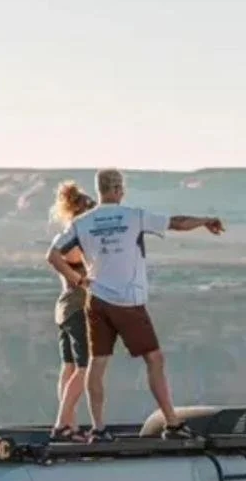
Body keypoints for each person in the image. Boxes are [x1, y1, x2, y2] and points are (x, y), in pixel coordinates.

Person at [46, 168, 223, 440]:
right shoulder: (133, 216)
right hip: (128, 300)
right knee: (154, 359)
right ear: (118, 189)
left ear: (99, 189)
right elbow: (176, 222)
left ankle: (99, 428)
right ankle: (172, 423)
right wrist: (205, 221)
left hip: (96, 300)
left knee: (96, 364)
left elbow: (53, 255)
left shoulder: (83, 222)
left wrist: (78, 280)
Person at [47, 181, 98, 440]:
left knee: (68, 367)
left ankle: (70, 424)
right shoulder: (74, 243)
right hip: (77, 307)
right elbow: (74, 260)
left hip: (64, 308)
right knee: (84, 366)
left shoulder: (63, 237)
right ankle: (62, 425)